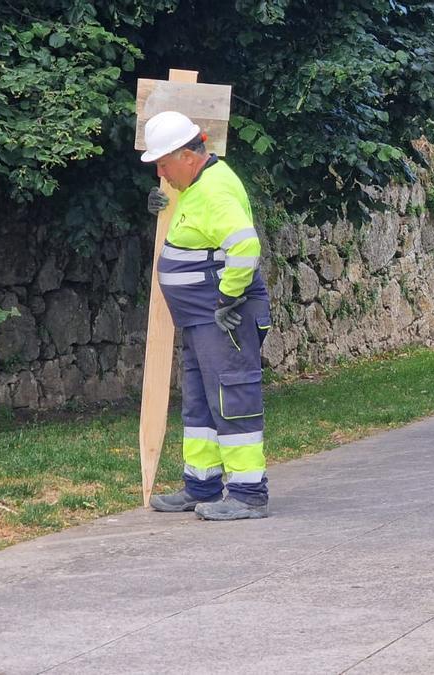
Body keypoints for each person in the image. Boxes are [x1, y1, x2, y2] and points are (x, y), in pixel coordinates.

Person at [142, 110, 272, 521]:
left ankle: (249, 494)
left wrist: (226, 298)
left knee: (232, 400)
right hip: (201, 320)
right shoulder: (198, 184)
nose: (161, 172)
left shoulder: (214, 191)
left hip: (223, 318)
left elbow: (246, 248)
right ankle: (201, 485)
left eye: (164, 163)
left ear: (187, 155)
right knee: (200, 405)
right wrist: (163, 203)